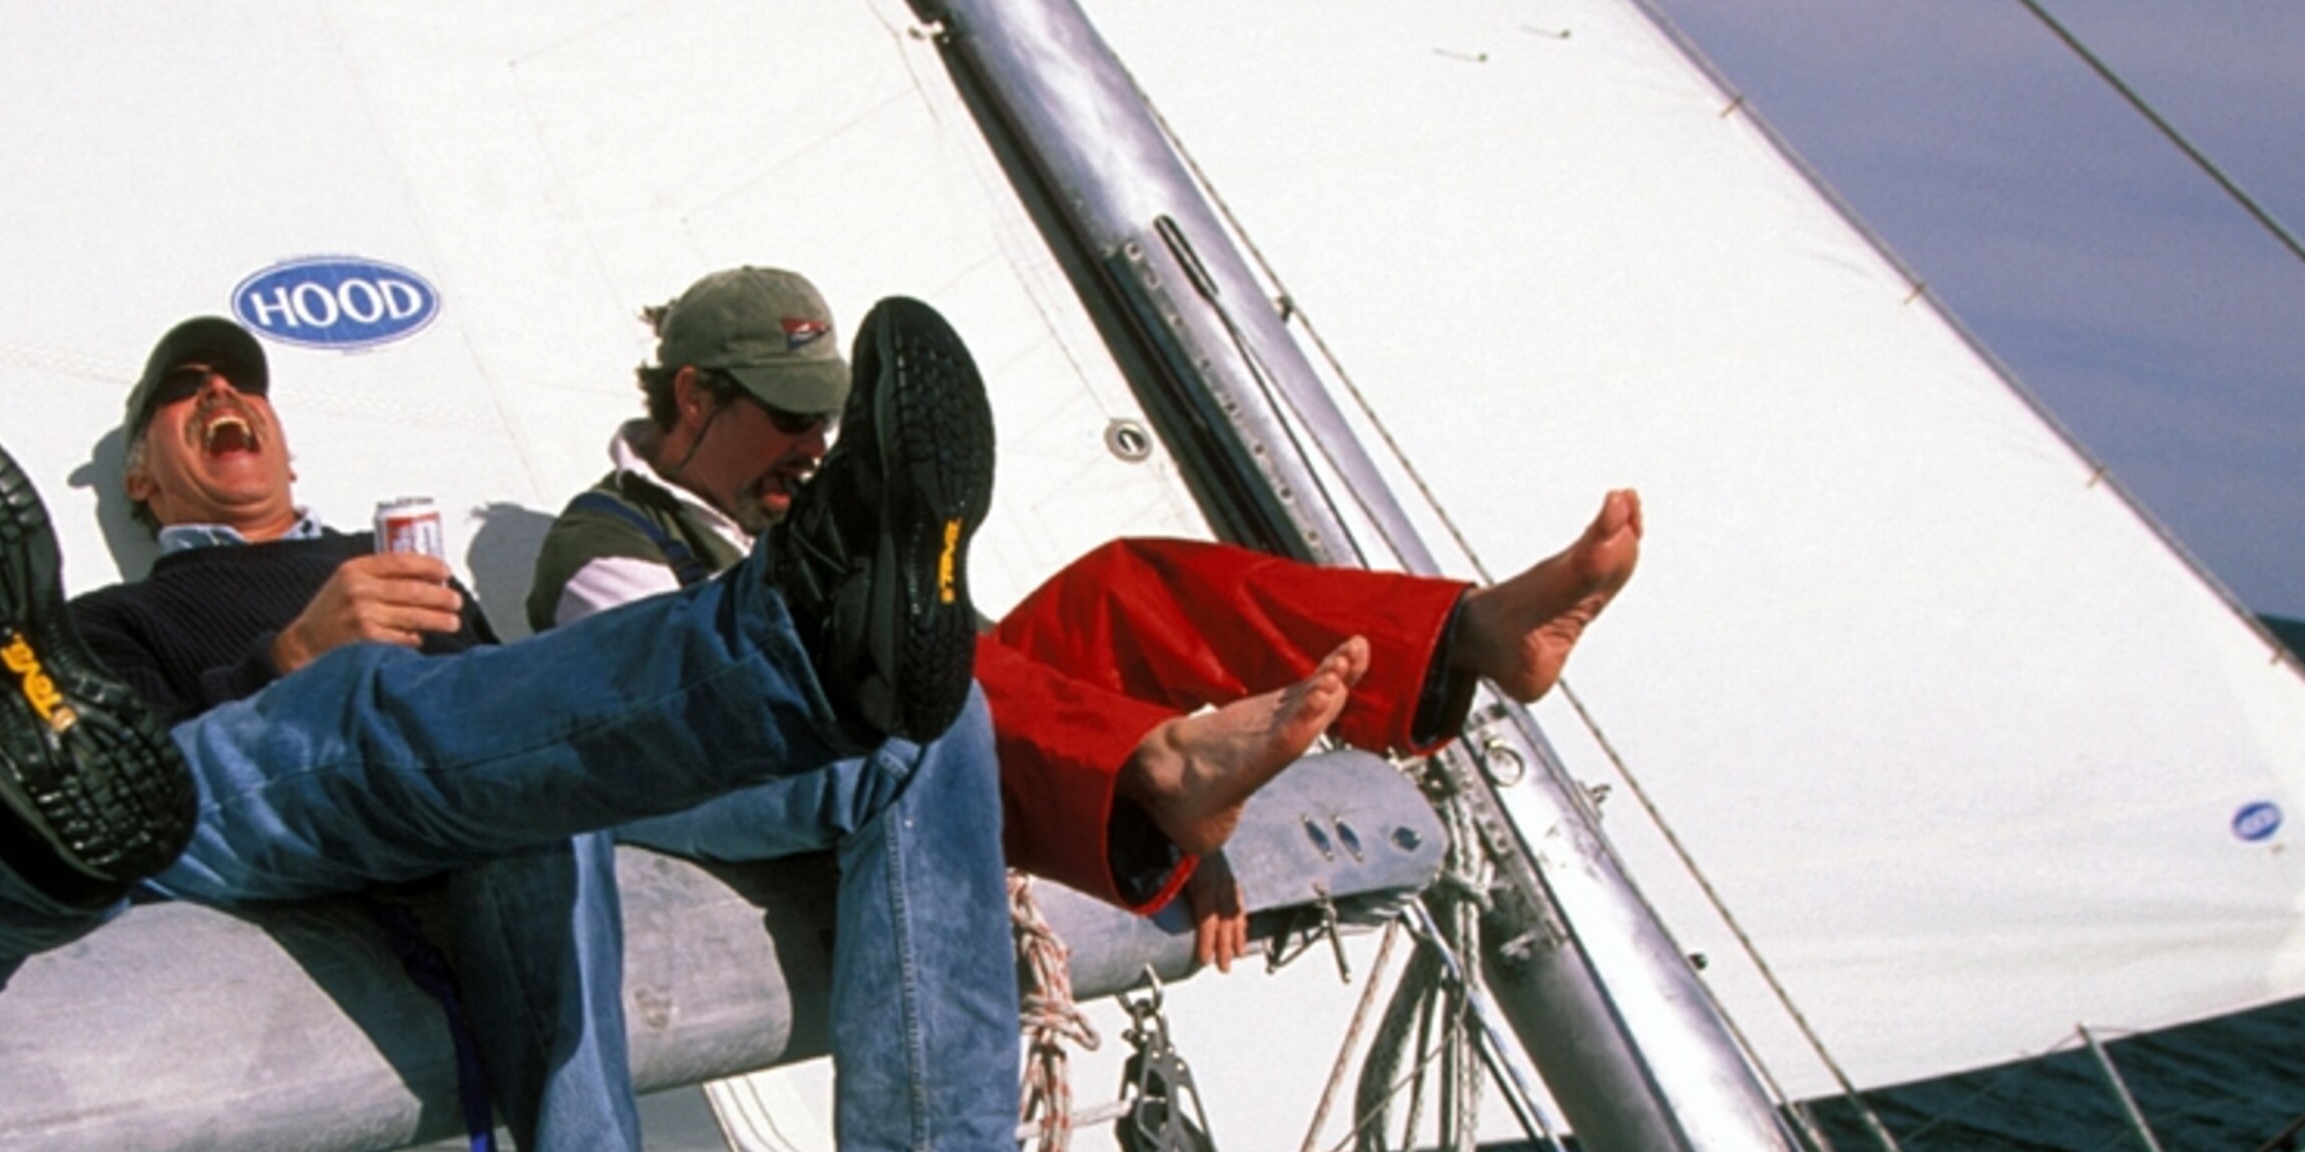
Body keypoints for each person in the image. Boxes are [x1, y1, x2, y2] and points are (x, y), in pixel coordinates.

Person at [0, 295, 1106, 1152]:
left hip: (495, 753)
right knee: (392, 728)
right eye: (183, 390)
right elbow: (175, 786)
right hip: (284, 772)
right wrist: (284, 652)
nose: (225, 395)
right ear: (141, 482)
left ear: (286, 444)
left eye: (246, 381)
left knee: (923, 731)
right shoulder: (122, 614)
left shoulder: (386, 552)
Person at [531, 267, 1641, 967]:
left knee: (1126, 581)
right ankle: (1153, 773)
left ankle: (1463, 640)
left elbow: (972, 661)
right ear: (693, 397)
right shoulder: (609, 549)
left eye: (830, 418)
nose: (818, 446)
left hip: (920, 736)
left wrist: (1168, 827)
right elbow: (678, 730)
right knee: (942, 676)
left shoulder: (804, 518)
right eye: (791, 416)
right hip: (816, 786)